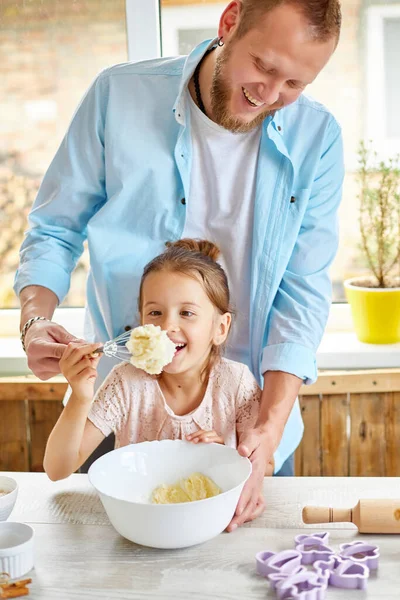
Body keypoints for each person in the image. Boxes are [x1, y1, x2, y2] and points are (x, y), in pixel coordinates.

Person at [15, 0, 344, 531]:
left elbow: (302, 292)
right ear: (230, 21)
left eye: (294, 84)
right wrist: (34, 321)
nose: (269, 96)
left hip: (251, 426)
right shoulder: (117, 96)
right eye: (262, 67)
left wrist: (267, 428)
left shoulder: (318, 138)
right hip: (130, 423)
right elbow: (55, 228)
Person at [44, 240, 268, 511]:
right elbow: (57, 469)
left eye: (186, 313)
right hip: (139, 519)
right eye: (155, 313)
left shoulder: (237, 383)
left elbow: (266, 465)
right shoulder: (125, 382)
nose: (167, 326)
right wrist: (79, 396)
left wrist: (224, 458)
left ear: (220, 328)